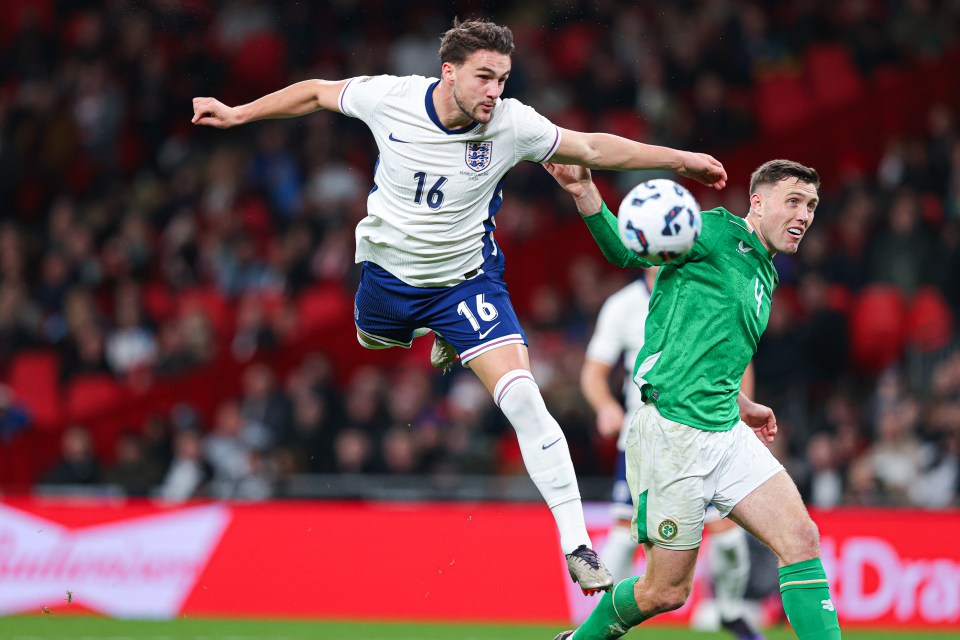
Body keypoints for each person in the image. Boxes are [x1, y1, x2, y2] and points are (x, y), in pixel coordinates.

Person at [191, 17, 727, 593]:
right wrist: (240, 112)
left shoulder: (512, 123)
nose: (495, 91)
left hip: (466, 283)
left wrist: (677, 159)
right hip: (389, 277)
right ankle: (438, 339)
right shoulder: (390, 98)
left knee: (523, 397)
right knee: (372, 339)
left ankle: (576, 543)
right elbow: (318, 91)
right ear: (448, 72)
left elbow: (592, 146)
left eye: (503, 78)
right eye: (485, 77)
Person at [545, 159, 841, 639]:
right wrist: (587, 197)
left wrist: (743, 404)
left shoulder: (765, 270)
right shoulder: (713, 231)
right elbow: (628, 249)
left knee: (802, 539)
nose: (805, 215)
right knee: (666, 591)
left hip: (725, 429)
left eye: (811, 205)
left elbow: (712, 346)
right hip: (672, 432)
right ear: (757, 202)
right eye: (793, 201)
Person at [581, 270, 766, 639]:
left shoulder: (704, 287)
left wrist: (743, 410)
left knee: (728, 537)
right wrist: (605, 407)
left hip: (708, 436)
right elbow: (593, 372)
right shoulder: (622, 305)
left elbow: (737, 360)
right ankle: (594, 625)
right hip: (645, 441)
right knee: (623, 534)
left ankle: (731, 613)